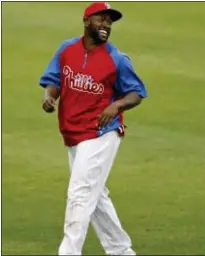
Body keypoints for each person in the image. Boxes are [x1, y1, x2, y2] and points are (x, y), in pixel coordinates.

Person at [39, 2, 147, 255]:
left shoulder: (116, 59)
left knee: (80, 192)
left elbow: (136, 93)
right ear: (87, 21)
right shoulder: (67, 49)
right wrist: (50, 97)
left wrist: (116, 106)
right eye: (101, 19)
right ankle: (121, 251)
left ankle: (68, 252)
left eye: (109, 21)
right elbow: (54, 79)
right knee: (95, 196)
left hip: (102, 132)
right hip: (73, 131)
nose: (106, 25)